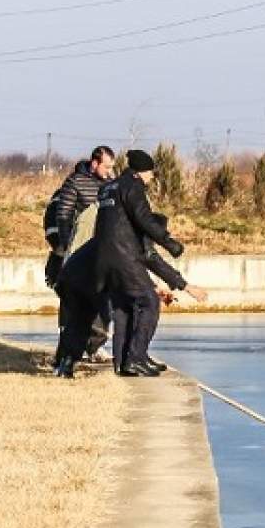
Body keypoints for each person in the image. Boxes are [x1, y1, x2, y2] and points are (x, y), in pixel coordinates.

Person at [94, 149, 209, 377]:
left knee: (123, 308)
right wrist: (170, 244)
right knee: (149, 302)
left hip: (103, 258)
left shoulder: (110, 187)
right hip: (124, 256)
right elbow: (144, 222)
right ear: (139, 172)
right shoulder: (133, 187)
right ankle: (135, 359)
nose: (152, 177)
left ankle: (125, 362)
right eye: (150, 173)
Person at [42, 145, 115, 289]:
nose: (110, 172)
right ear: (95, 163)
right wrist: (68, 246)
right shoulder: (75, 182)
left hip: (103, 243)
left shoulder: (110, 184)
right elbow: (64, 215)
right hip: (81, 242)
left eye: (111, 167)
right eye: (106, 167)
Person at [49, 237, 110, 378]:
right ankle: (66, 363)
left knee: (77, 324)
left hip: (72, 278)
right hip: (80, 282)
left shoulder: (104, 237)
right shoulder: (114, 240)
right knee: (81, 322)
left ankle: (63, 364)